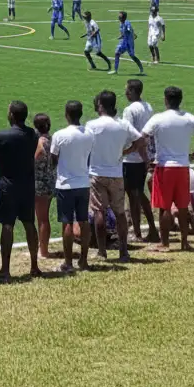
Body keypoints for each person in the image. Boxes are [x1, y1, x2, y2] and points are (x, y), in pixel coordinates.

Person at [142, 86, 194, 251]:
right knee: (182, 205)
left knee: (164, 207)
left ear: (166, 99)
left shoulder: (158, 118)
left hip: (164, 167)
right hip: (183, 167)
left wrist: (148, 159)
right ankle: (184, 242)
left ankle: (164, 243)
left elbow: (142, 137)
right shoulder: (188, 118)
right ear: (180, 100)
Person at [84, 90, 142, 260]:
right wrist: (125, 151)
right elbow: (140, 141)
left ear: (100, 105)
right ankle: (123, 251)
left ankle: (102, 251)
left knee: (99, 211)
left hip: (97, 173)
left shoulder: (92, 125)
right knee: (120, 213)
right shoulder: (123, 124)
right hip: (116, 173)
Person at [0, 101, 41, 279]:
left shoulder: (3, 135)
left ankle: (5, 269)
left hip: (8, 185)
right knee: (29, 223)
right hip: (27, 185)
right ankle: (34, 265)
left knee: (7, 225)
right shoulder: (33, 134)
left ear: (11, 115)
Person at [52, 100, 93, 271]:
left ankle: (68, 262)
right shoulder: (90, 134)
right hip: (83, 183)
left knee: (67, 223)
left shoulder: (59, 135)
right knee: (83, 221)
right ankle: (83, 260)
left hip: (65, 184)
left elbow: (53, 158)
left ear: (66, 114)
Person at [120, 80, 157, 242]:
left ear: (133, 91)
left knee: (133, 196)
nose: (125, 93)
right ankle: (151, 227)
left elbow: (129, 134)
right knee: (139, 194)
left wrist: (125, 151)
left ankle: (137, 233)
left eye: (127, 90)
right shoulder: (148, 107)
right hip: (144, 156)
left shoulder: (129, 110)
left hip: (132, 159)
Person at [31, 114, 56, 259]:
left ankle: (44, 251)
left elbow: (36, 158)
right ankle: (43, 247)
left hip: (40, 184)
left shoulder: (40, 143)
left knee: (42, 218)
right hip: (51, 181)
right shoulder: (53, 139)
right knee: (43, 217)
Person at [109, 11, 144, 76]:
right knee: (117, 53)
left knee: (132, 56)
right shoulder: (121, 24)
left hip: (129, 43)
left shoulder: (127, 23)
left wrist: (132, 34)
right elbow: (123, 34)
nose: (118, 17)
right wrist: (120, 37)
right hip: (123, 42)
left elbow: (129, 29)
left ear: (123, 17)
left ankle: (141, 68)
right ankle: (115, 70)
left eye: (120, 16)